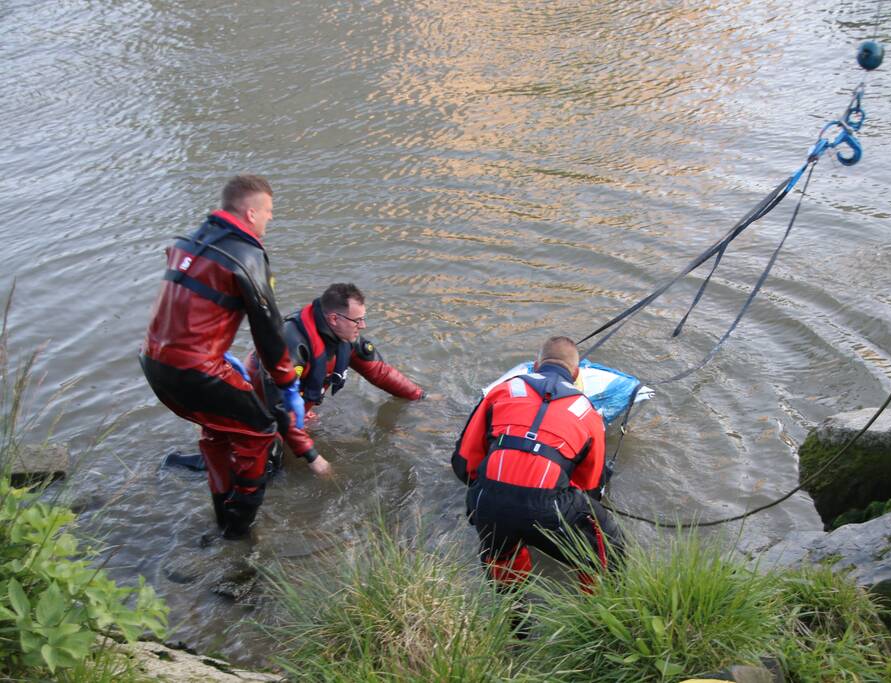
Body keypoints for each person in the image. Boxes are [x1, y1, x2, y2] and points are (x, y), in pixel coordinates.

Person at [140, 175, 327, 541]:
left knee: (218, 430)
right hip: (196, 371)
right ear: (251, 211)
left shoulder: (190, 241)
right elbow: (269, 330)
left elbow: (182, 309)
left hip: (154, 363)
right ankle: (239, 531)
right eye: (269, 212)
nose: (270, 220)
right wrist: (288, 384)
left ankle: (221, 512)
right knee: (261, 429)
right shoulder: (247, 253)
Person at [451, 336, 624, 589]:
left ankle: (514, 618)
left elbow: (464, 462)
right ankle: (598, 609)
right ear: (576, 374)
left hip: (488, 502)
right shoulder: (587, 412)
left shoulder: (501, 391)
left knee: (503, 562)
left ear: (535, 365)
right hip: (547, 507)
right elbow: (590, 487)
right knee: (609, 547)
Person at [245, 282, 424, 464]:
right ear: (334, 319)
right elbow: (278, 406)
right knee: (270, 468)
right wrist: (312, 457)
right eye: (357, 320)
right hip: (259, 416)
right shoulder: (291, 345)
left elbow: (380, 372)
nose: (363, 325)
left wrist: (419, 396)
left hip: (294, 409)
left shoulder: (343, 334)